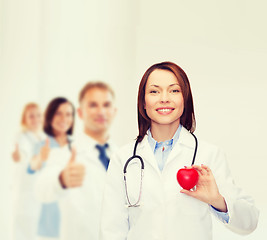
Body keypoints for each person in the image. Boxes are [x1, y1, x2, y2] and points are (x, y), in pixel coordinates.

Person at [100, 62, 259, 240]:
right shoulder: (123, 158)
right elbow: (111, 230)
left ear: (185, 99)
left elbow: (250, 221)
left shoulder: (209, 155)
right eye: (154, 91)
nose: (164, 98)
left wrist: (217, 201)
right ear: (143, 102)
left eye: (174, 90)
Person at [35, 81, 117, 240]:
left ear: (114, 111)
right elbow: (41, 189)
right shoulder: (64, 153)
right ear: (80, 113)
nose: (101, 111)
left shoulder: (123, 155)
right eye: (93, 105)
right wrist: (61, 180)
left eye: (106, 105)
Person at [27, 97, 75, 240]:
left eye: (68, 114)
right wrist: (40, 159)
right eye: (58, 113)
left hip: (73, 218)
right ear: (50, 116)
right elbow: (32, 166)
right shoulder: (44, 144)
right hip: (50, 221)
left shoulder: (76, 146)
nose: (63, 118)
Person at [11, 102, 44, 240]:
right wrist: (19, 156)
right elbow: (21, 154)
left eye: (38, 115)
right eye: (31, 116)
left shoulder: (42, 138)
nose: (35, 119)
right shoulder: (22, 136)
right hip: (26, 201)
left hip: (38, 198)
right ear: (24, 119)